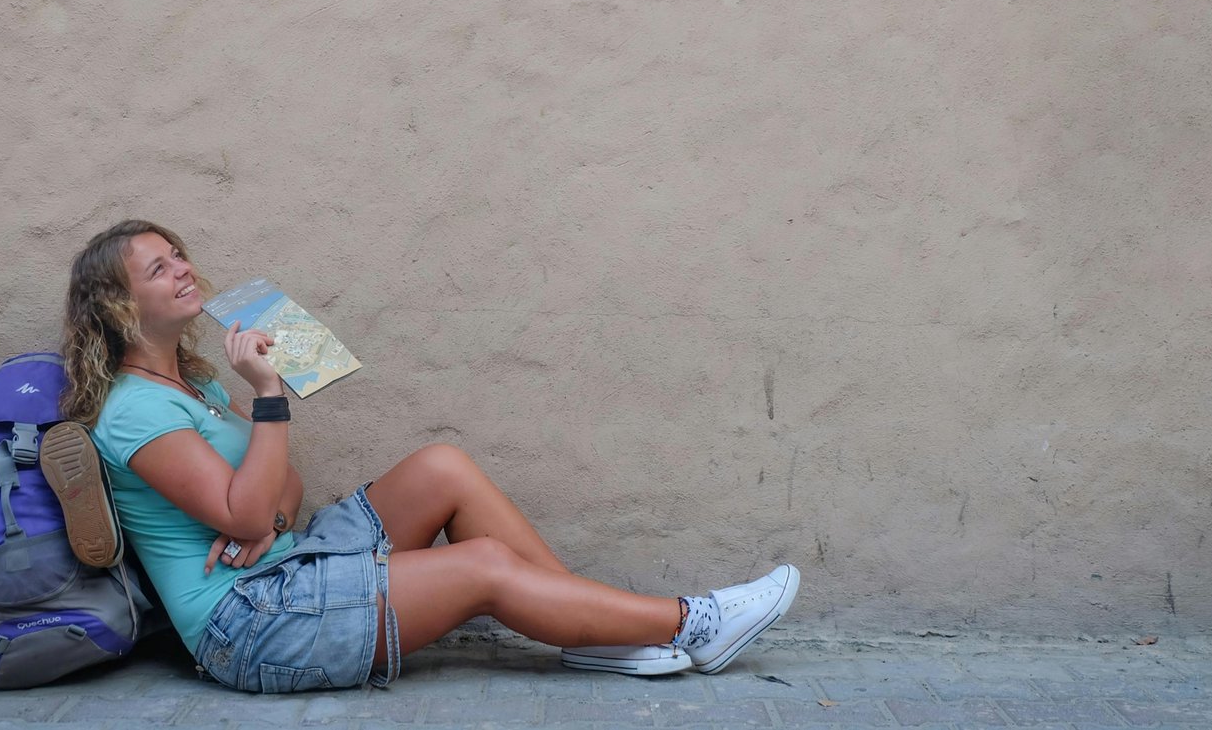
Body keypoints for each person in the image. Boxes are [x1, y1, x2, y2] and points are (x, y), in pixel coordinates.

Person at [53, 219, 799, 693]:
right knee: (483, 568)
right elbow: (252, 498)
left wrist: (264, 512)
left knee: (441, 465)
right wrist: (271, 398)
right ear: (120, 308)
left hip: (288, 563)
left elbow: (281, 487)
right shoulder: (134, 409)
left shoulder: (197, 378)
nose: (183, 267)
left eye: (178, 254)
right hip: (250, 623)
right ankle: (689, 623)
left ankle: (593, 633)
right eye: (158, 268)